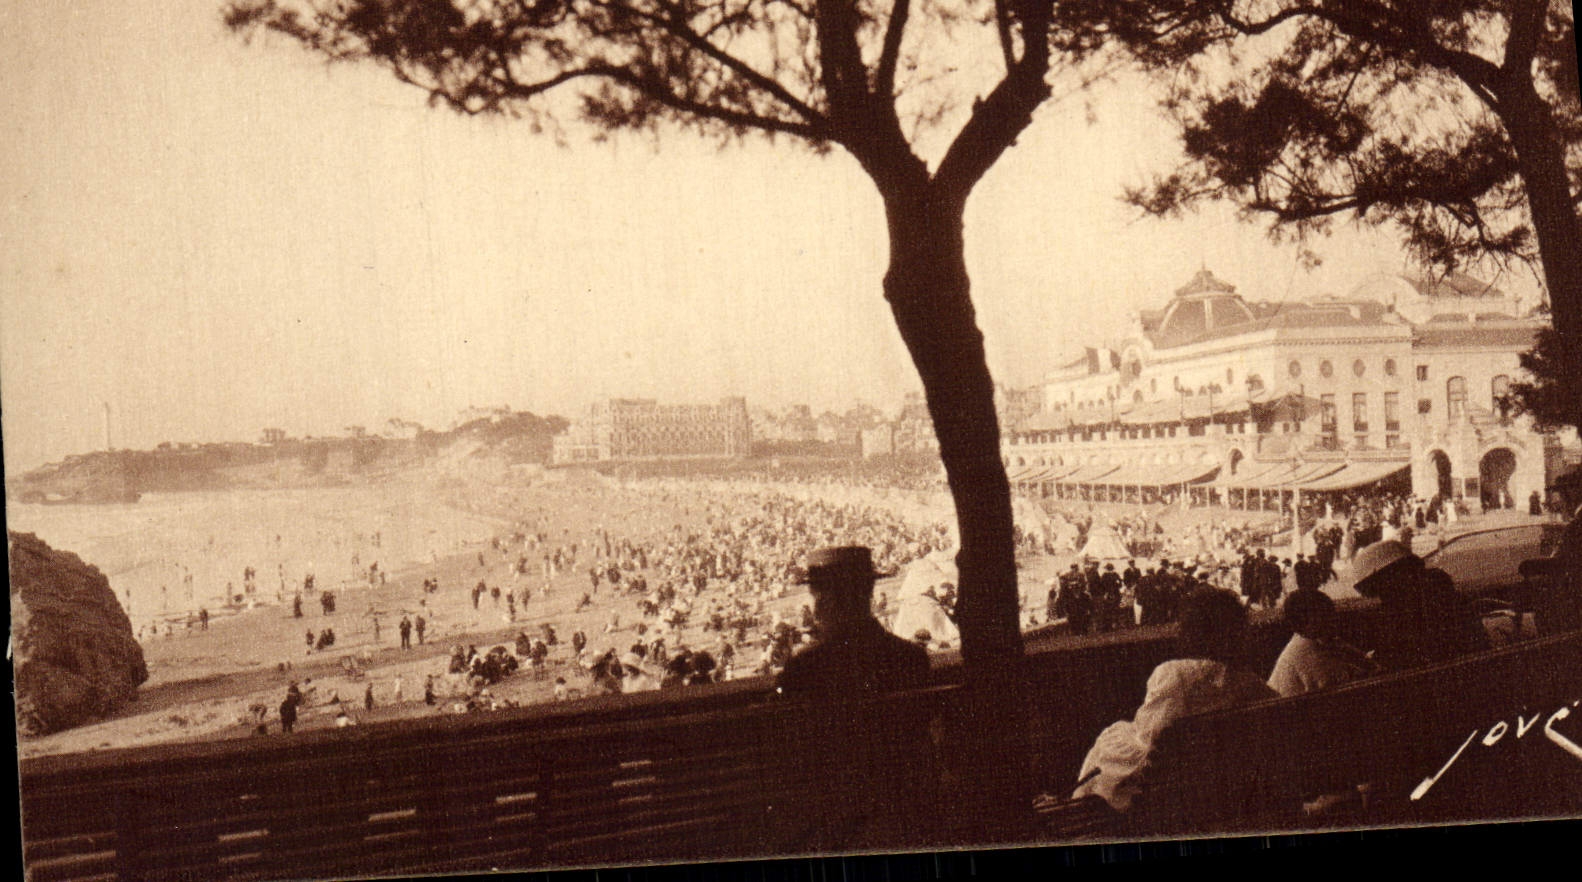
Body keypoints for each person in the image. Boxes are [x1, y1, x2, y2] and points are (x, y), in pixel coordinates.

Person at [1071, 588, 1278, 813]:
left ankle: (1081, 806)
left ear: (1191, 631)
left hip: (1168, 787)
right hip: (1216, 786)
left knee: (1110, 738)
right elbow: (1278, 708)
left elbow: (1151, 738)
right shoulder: (1247, 681)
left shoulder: (1174, 674)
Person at [777, 546, 930, 694]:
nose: (815, 611)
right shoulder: (912, 658)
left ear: (826, 602)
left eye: (817, 598)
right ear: (868, 592)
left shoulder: (803, 669)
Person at [1350, 540, 1489, 670]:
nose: (1379, 595)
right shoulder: (1441, 591)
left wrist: (1374, 658)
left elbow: (1400, 657)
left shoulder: (1405, 611)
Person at [1268, 590, 1377, 697]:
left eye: (1330, 613)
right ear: (1301, 623)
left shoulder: (1322, 641)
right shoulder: (1305, 649)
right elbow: (1336, 691)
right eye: (1323, 616)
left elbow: (1361, 662)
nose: (1333, 620)